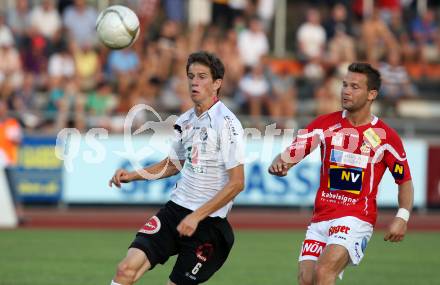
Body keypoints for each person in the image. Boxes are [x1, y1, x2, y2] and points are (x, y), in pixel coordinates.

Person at [268, 63, 414, 285]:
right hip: (321, 217)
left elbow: (404, 180)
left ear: (371, 94)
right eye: (345, 85)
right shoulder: (324, 124)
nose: (346, 90)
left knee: (324, 271)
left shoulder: (385, 136)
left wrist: (402, 217)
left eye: (355, 87)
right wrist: (281, 163)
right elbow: (291, 154)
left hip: (356, 218)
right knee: (306, 280)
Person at [108, 51, 245, 285]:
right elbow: (173, 164)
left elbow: (237, 183)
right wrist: (132, 175)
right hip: (174, 212)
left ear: (217, 84)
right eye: (191, 76)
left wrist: (196, 216)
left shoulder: (227, 124)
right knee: (125, 270)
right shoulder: (185, 121)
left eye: (202, 76)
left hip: (208, 224)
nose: (194, 82)